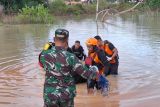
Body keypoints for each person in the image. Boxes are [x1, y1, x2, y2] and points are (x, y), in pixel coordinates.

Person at [39, 29, 99, 107]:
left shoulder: (44, 54)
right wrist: (97, 75)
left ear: (54, 39)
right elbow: (86, 74)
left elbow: (41, 64)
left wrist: (46, 48)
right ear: (67, 40)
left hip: (50, 95)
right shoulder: (71, 57)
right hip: (66, 96)